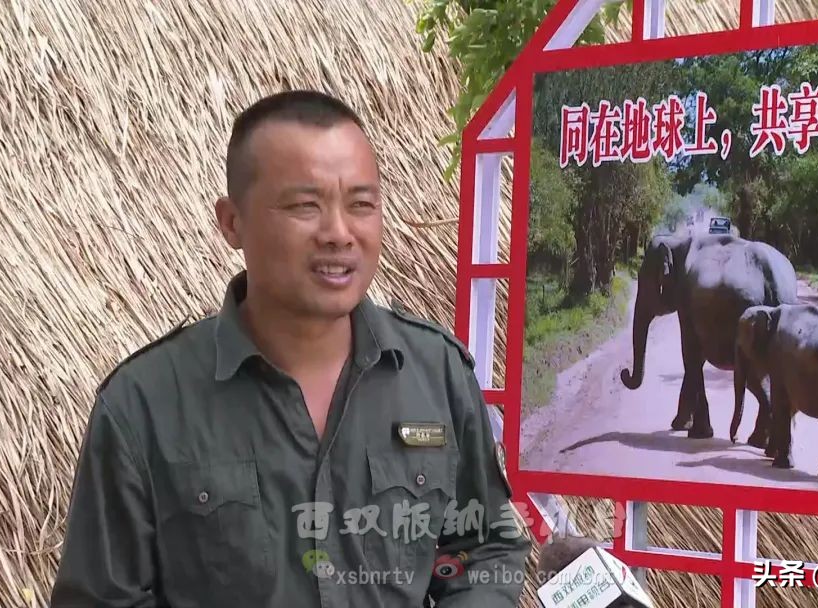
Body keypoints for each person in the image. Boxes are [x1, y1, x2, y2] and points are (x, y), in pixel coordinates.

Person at [50, 90, 530, 607]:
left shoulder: (436, 374)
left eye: (361, 204)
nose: (339, 233)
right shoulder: (143, 404)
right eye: (306, 205)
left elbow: (485, 546)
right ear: (232, 222)